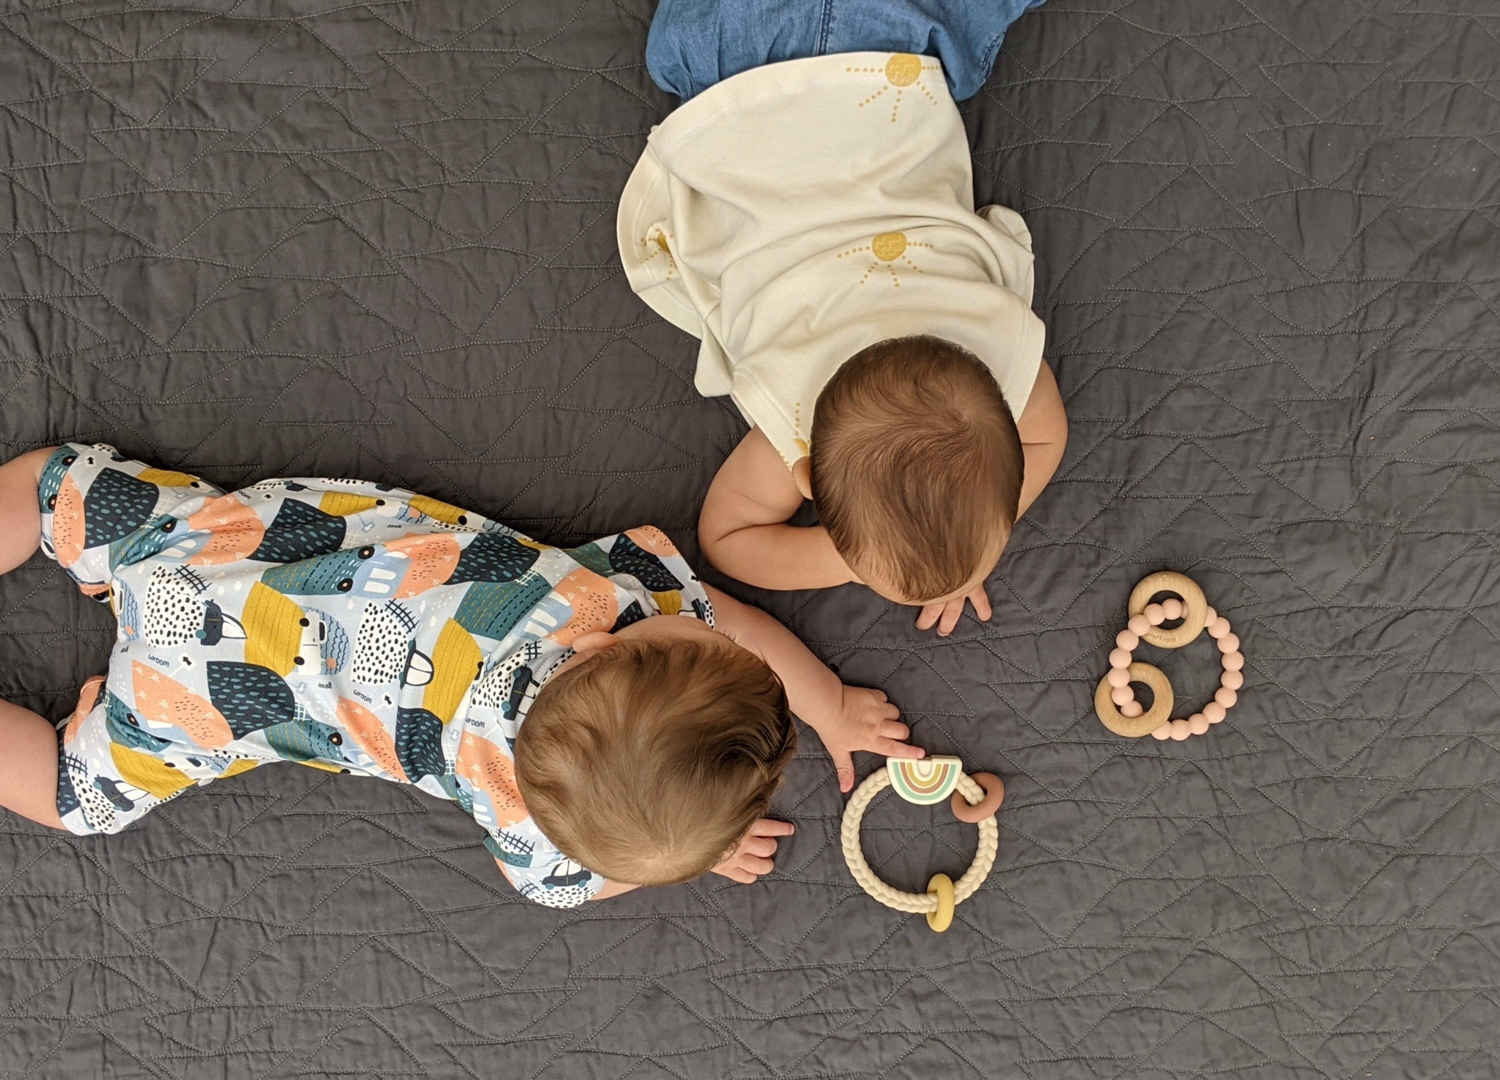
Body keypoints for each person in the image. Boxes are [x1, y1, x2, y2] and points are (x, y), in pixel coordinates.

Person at [0, 444, 920, 907]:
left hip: (216, 559)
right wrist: (697, 845)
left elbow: (737, 626)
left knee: (50, 486)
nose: (726, 635)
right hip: (196, 701)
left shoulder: (621, 603)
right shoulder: (529, 830)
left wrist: (825, 704)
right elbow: (602, 861)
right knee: (73, 796)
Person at [617, 0, 1067, 637]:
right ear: (804, 477)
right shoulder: (793, 417)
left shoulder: (997, 349)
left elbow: (1045, 437)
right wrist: (856, 559)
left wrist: (943, 547)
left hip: (886, 57)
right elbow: (727, 538)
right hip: (726, 63)